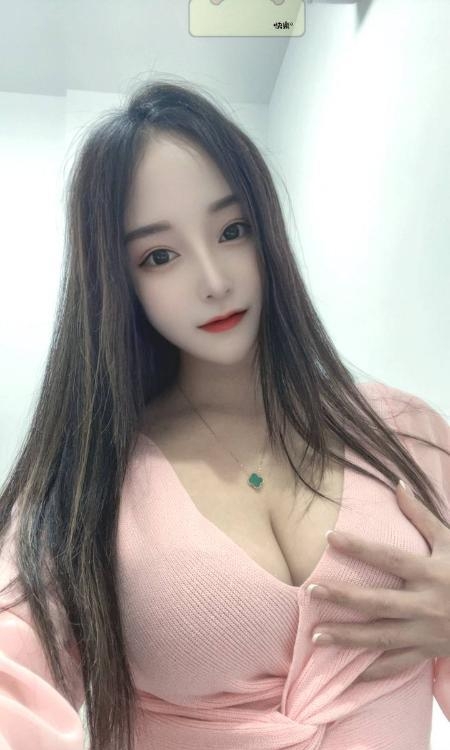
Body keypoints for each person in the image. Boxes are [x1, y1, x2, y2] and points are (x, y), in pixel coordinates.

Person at [0, 78, 449, 750]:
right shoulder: (86, 485)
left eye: (233, 230)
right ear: (119, 282)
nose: (214, 279)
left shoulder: (407, 434)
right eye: (160, 256)